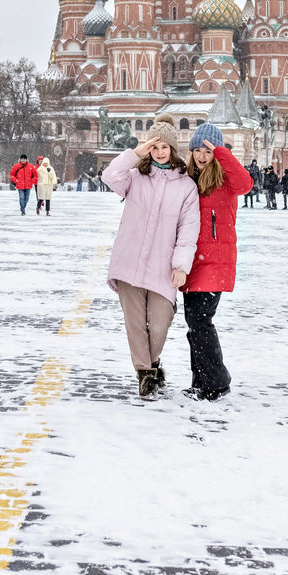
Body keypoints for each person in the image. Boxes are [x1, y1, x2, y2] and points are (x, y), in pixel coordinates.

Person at [103, 115, 199, 399]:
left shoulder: (186, 187)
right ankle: (145, 373)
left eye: (164, 147)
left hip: (162, 266)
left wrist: (181, 265)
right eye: (154, 146)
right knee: (135, 323)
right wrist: (135, 153)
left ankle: (154, 361)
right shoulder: (135, 178)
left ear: (172, 149)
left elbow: (188, 230)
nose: (159, 152)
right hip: (129, 261)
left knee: (159, 324)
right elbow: (109, 176)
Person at [182, 123, 252, 401]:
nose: (201, 155)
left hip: (216, 262)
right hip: (192, 262)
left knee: (201, 322)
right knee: (194, 323)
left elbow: (246, 183)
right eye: (197, 149)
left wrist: (221, 152)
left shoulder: (225, 181)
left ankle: (217, 382)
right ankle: (201, 381)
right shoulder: (187, 179)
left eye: (207, 151)